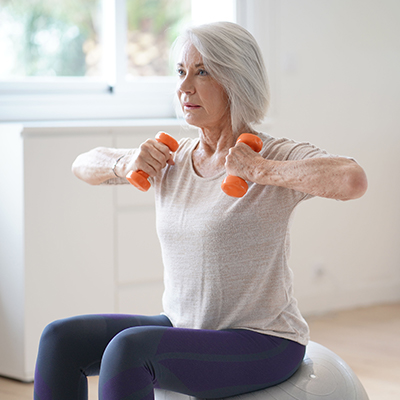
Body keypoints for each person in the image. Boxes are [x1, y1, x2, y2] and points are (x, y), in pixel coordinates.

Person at [34, 22, 367, 400]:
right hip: (185, 326)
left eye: (202, 72)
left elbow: (351, 179)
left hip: (263, 341)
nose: (184, 86)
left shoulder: (267, 154)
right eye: (180, 71)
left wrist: (260, 171)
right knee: (60, 339)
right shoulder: (170, 159)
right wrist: (126, 162)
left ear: (236, 81)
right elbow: (83, 164)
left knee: (129, 351)